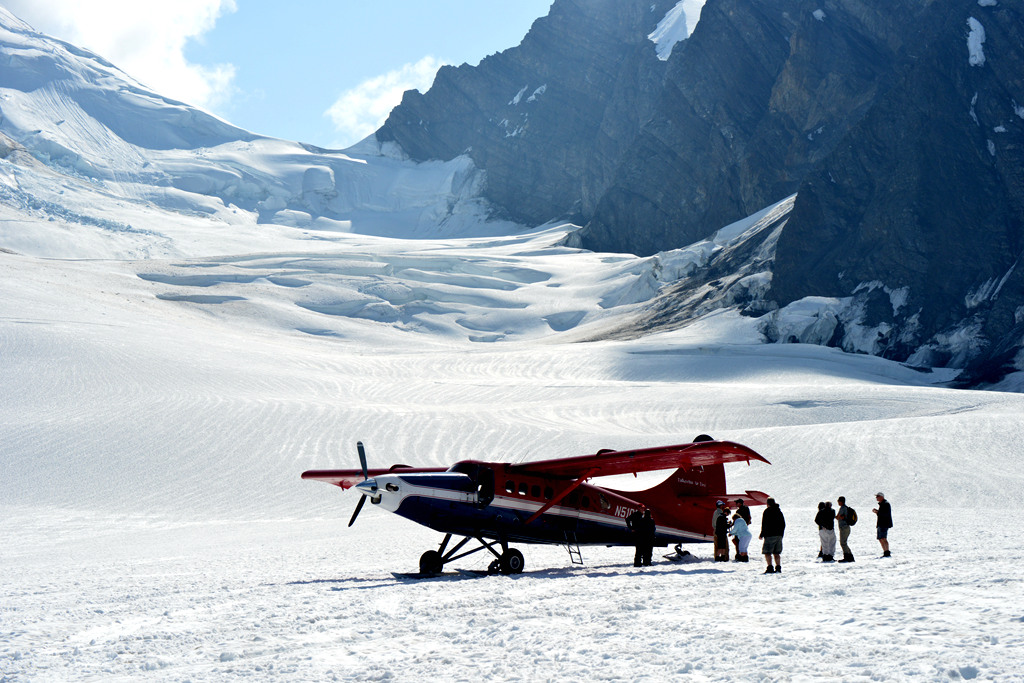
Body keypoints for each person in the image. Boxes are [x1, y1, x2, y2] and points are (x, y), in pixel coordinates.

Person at [759, 497, 785, 574]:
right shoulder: (779, 511)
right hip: (779, 535)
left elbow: (765, 524)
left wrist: (762, 534)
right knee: (776, 553)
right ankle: (778, 567)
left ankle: (770, 567)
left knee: (767, 552)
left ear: (768, 504)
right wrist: (781, 534)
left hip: (769, 535)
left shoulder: (767, 511)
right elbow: (783, 524)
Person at [873, 492, 893, 557]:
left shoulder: (886, 504)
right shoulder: (882, 504)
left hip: (884, 524)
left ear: (881, 497)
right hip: (881, 523)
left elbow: (885, 514)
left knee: (883, 538)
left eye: (877, 496)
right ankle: (885, 551)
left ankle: (887, 551)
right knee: (880, 538)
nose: (876, 498)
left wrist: (877, 512)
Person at [836, 496, 855, 562]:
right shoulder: (844, 508)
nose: (838, 502)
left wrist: (839, 517)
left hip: (844, 527)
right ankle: (849, 556)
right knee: (844, 542)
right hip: (845, 527)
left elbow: (841, 517)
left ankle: (848, 557)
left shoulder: (843, 508)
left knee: (843, 543)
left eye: (838, 501)